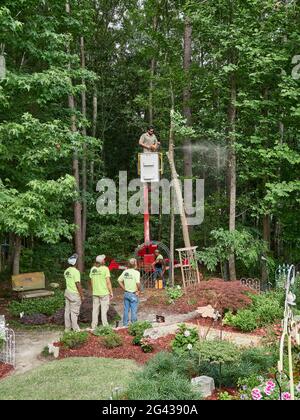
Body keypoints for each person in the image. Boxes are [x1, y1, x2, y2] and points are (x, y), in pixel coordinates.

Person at [89, 255, 113, 330]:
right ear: (102, 261)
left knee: (95, 310)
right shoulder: (105, 269)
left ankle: (93, 326)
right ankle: (105, 325)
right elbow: (108, 282)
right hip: (104, 293)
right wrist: (111, 292)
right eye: (104, 259)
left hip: (95, 293)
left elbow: (91, 281)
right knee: (104, 310)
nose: (105, 260)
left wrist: (93, 290)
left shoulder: (93, 269)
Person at [64, 254, 84, 332]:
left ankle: (67, 328)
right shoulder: (75, 272)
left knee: (67, 311)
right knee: (74, 312)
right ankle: (76, 329)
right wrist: (82, 295)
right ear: (75, 263)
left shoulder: (66, 271)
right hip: (74, 294)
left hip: (67, 292)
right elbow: (78, 284)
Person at [118, 258, 141, 327]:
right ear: (135, 264)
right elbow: (138, 283)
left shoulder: (125, 272)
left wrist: (124, 288)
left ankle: (125, 324)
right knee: (133, 310)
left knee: (126, 309)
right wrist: (138, 290)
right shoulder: (136, 272)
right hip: (133, 294)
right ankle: (134, 325)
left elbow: (119, 280)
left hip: (126, 293)